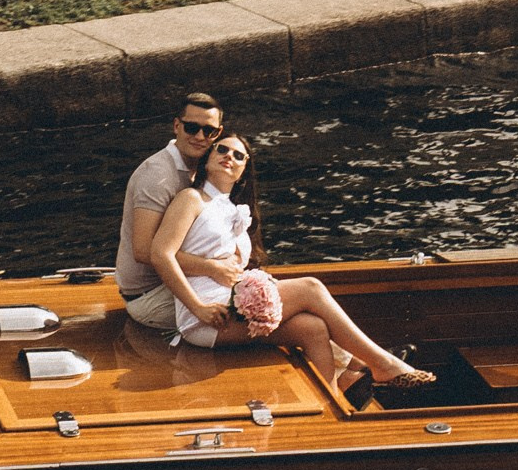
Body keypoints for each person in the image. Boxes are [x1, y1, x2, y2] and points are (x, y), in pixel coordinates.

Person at [148, 132, 434, 392]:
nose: (229, 157)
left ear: (243, 171)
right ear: (208, 157)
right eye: (222, 149)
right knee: (311, 287)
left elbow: (229, 266)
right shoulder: (191, 198)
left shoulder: (233, 209)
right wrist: (197, 307)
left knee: (313, 328)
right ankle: (380, 363)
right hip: (207, 315)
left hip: (230, 305)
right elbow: (161, 254)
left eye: (238, 155)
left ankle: (332, 401)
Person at [115, 91, 238, 334]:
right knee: (256, 311)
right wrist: (213, 268)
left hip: (180, 281)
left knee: (267, 301)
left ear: (218, 133)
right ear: (176, 126)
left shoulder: (203, 170)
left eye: (209, 131)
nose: (200, 137)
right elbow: (144, 251)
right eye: (191, 128)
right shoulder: (157, 176)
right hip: (149, 295)